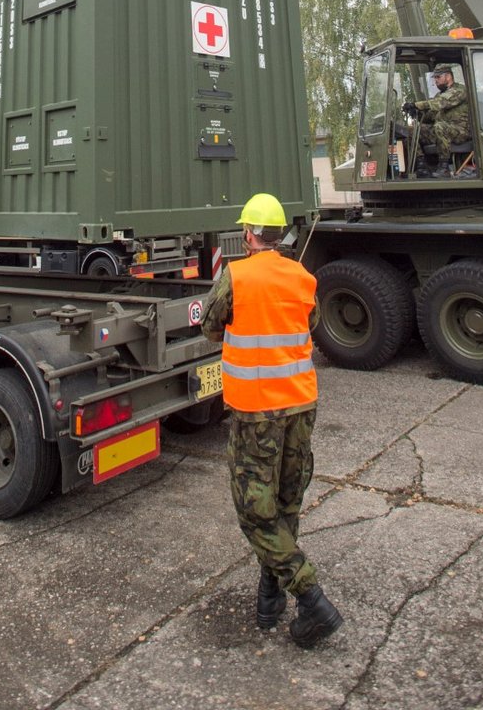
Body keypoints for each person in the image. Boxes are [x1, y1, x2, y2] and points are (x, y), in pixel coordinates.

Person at [200, 192, 344, 649]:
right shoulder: (303, 277)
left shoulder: (236, 277)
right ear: (279, 235)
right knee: (285, 501)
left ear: (248, 235)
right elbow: (311, 321)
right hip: (301, 406)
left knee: (254, 513)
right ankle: (269, 596)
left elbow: (209, 325)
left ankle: (311, 597)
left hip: (257, 411)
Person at [405, 63, 472, 175]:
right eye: (435, 77)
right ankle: (421, 165)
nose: (436, 81)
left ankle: (444, 167)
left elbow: (440, 103)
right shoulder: (440, 95)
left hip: (461, 132)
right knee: (413, 130)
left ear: (448, 76)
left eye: (438, 77)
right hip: (442, 130)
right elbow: (431, 115)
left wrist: (417, 105)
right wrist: (416, 113)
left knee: (439, 126)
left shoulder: (459, 91)